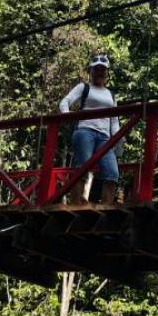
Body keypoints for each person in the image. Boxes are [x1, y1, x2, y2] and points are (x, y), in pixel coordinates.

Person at [58, 54, 121, 205]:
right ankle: (75, 206)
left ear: (107, 73)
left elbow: (114, 120)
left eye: (102, 70)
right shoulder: (84, 87)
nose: (99, 72)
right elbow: (64, 102)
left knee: (112, 174)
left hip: (105, 137)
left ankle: (106, 208)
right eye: (96, 69)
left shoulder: (111, 94)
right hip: (85, 131)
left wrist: (118, 138)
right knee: (82, 170)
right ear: (91, 71)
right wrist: (67, 116)